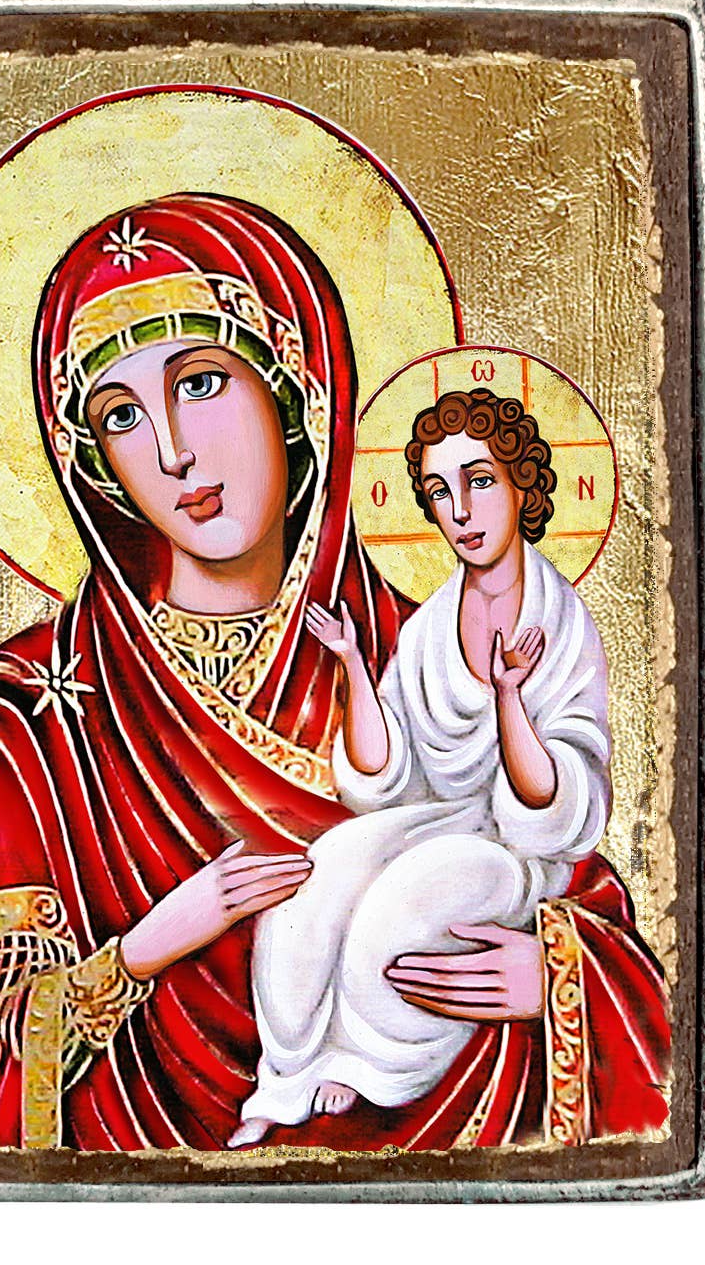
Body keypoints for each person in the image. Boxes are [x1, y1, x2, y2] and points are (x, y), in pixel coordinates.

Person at [0, 195, 669, 1151]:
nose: (173, 452)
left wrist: (555, 983)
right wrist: (142, 952)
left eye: (202, 382)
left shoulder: (435, 649)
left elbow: (577, 887)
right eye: (121, 416)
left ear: (297, 392)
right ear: (91, 459)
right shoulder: (22, 731)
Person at [233, 388, 615, 1146]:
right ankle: (287, 1074)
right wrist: (351, 662)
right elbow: (382, 777)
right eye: (441, 491)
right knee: (320, 877)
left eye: (480, 481)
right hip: (433, 820)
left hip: (516, 852)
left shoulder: (562, 621)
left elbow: (552, 807)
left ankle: (372, 1064)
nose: (461, 511)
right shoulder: (431, 626)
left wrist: (509, 697)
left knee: (402, 905)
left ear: (522, 485)